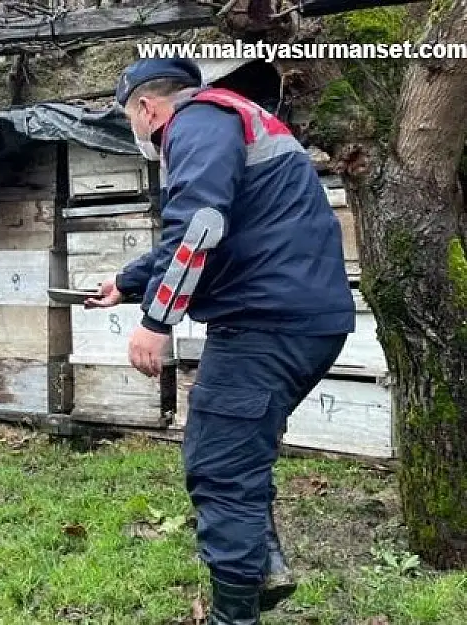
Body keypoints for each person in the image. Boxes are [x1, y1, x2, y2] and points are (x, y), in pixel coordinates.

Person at [85, 58, 356, 624]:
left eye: (128, 120)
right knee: (237, 453)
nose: (136, 134)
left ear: (146, 108)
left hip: (265, 325)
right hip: (297, 318)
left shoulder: (196, 122)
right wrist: (128, 282)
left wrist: (156, 321)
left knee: (219, 466)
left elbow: (200, 224)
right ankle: (263, 566)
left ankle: (234, 614)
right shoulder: (231, 119)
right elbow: (214, 227)